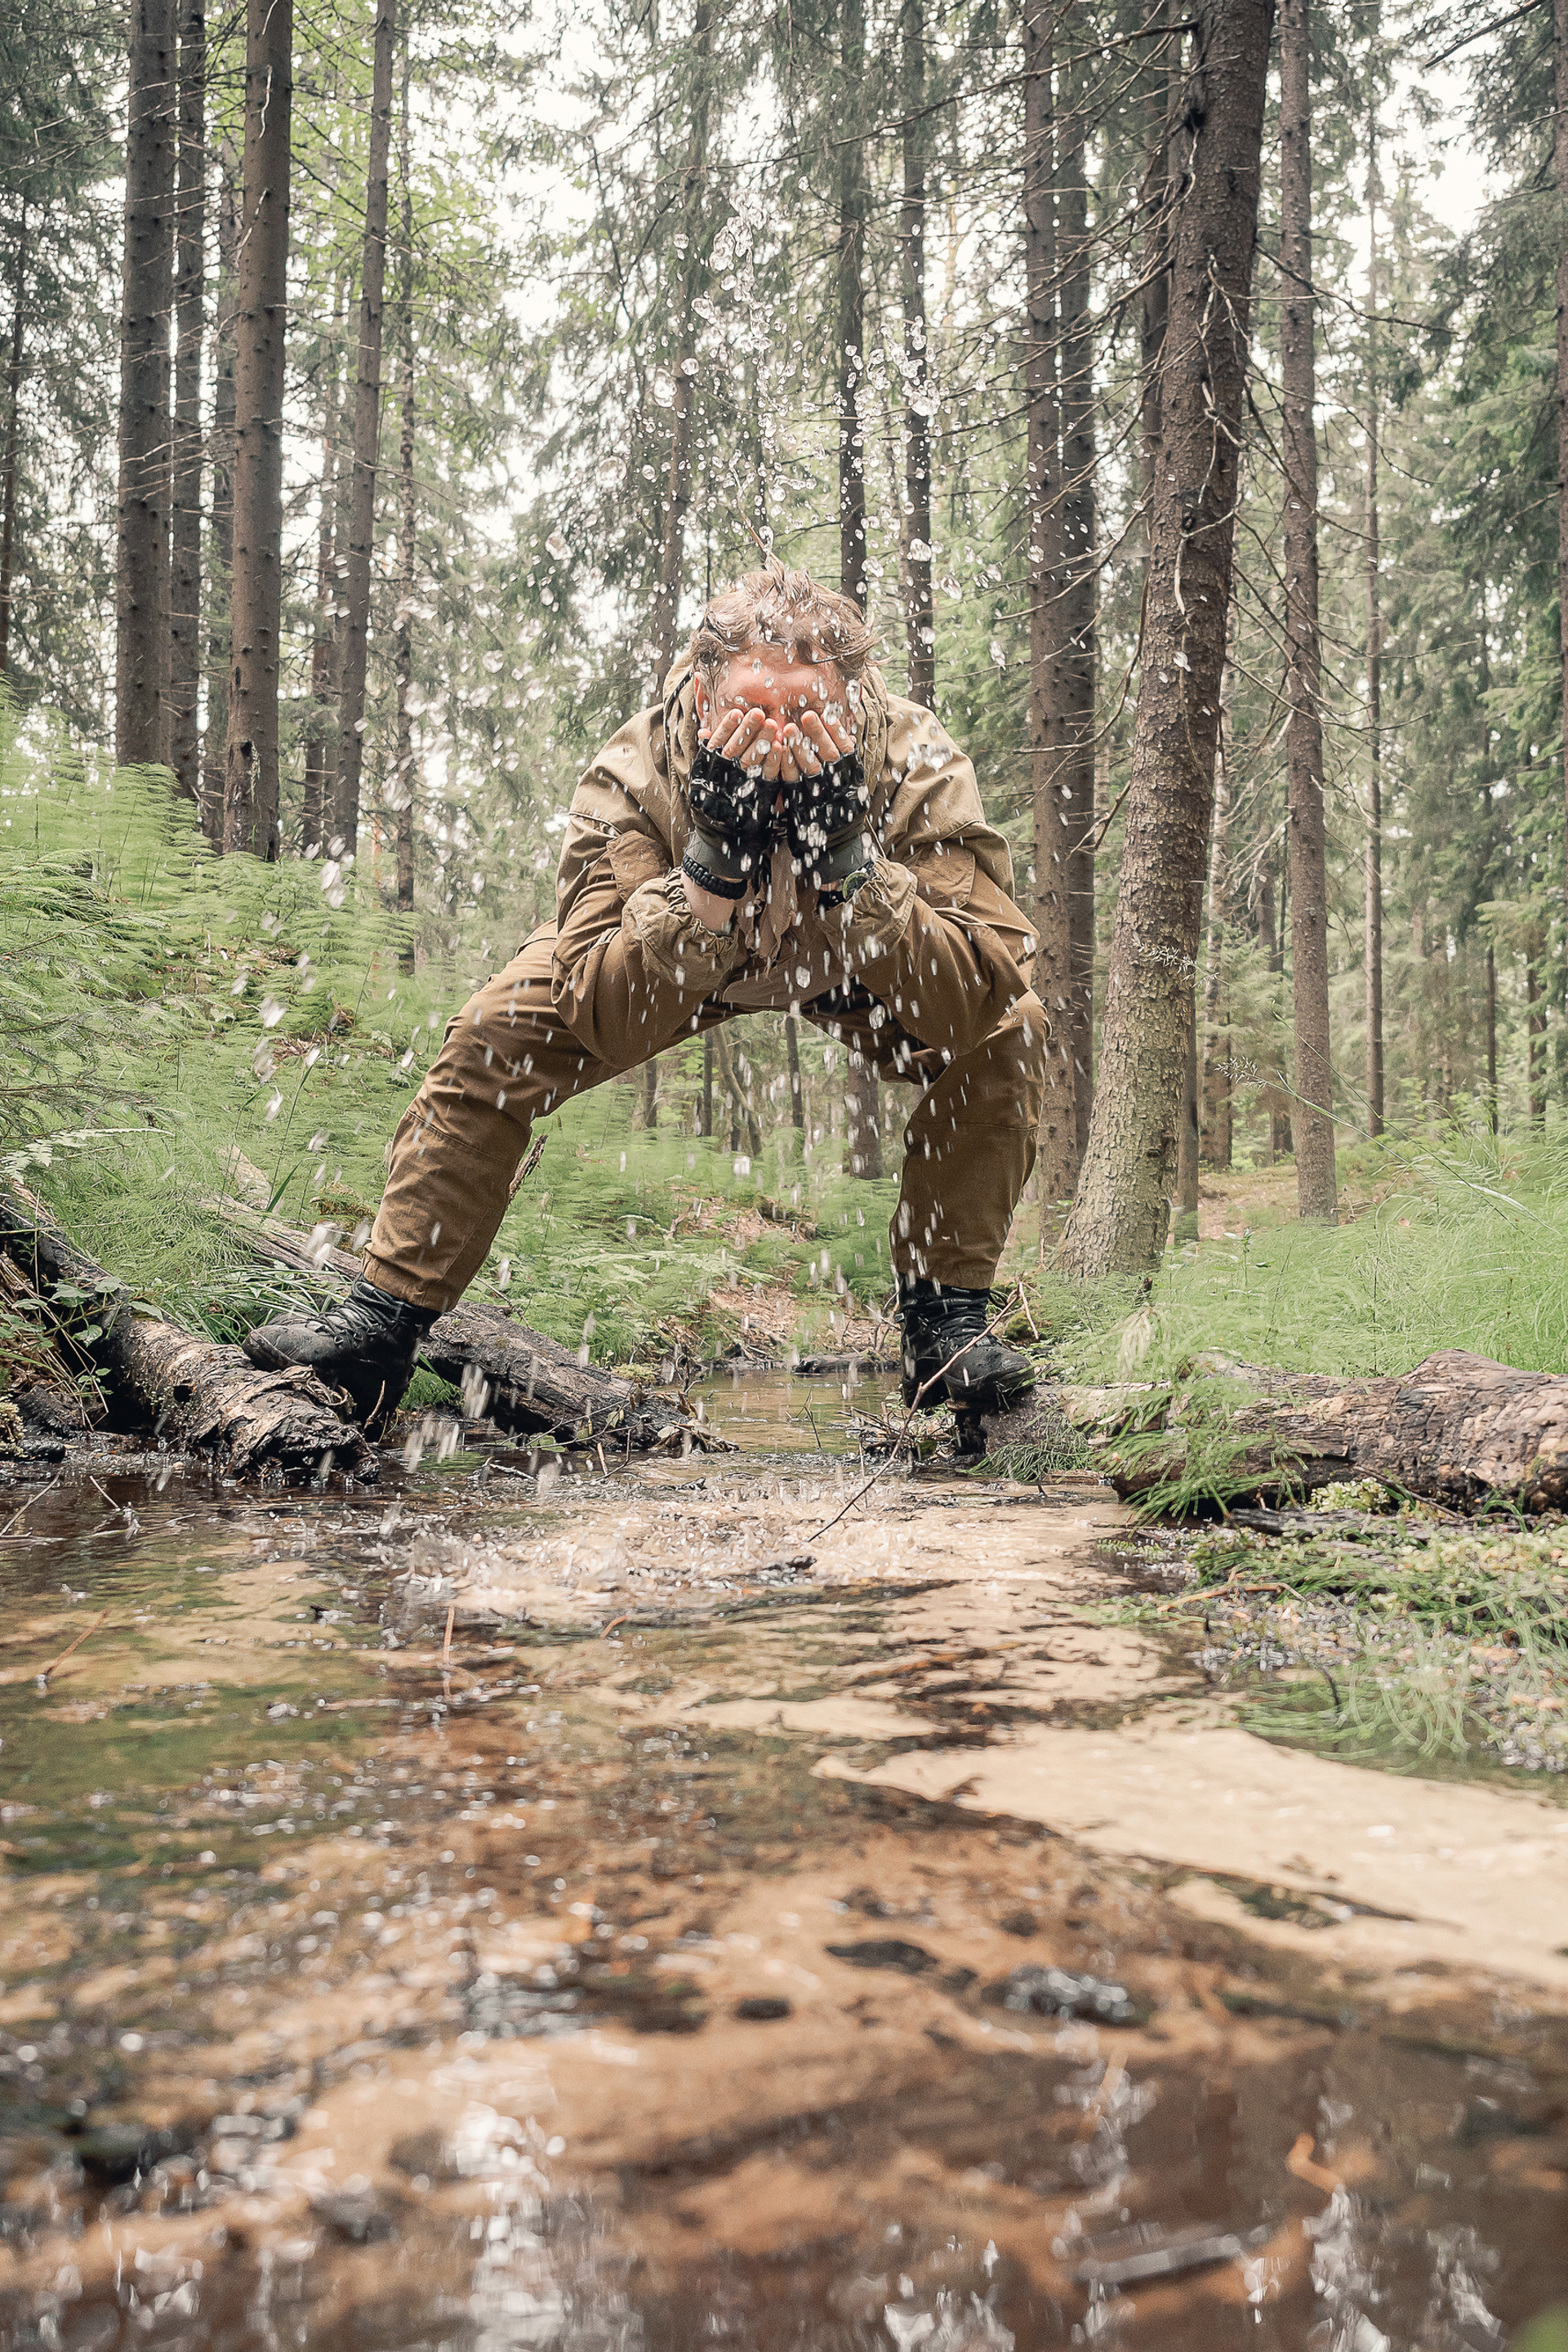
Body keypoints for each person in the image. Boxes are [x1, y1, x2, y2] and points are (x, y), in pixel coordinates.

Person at [245, 564, 1048, 1423]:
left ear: (853, 700)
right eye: (756, 710)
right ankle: (384, 1325)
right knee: (493, 1032)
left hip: (856, 954)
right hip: (677, 948)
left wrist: (851, 863)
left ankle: (945, 1332)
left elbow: (973, 998)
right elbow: (603, 1012)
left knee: (1014, 1028)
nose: (782, 736)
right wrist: (710, 866)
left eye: (808, 712)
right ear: (704, 695)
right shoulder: (635, 770)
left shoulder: (915, 759)